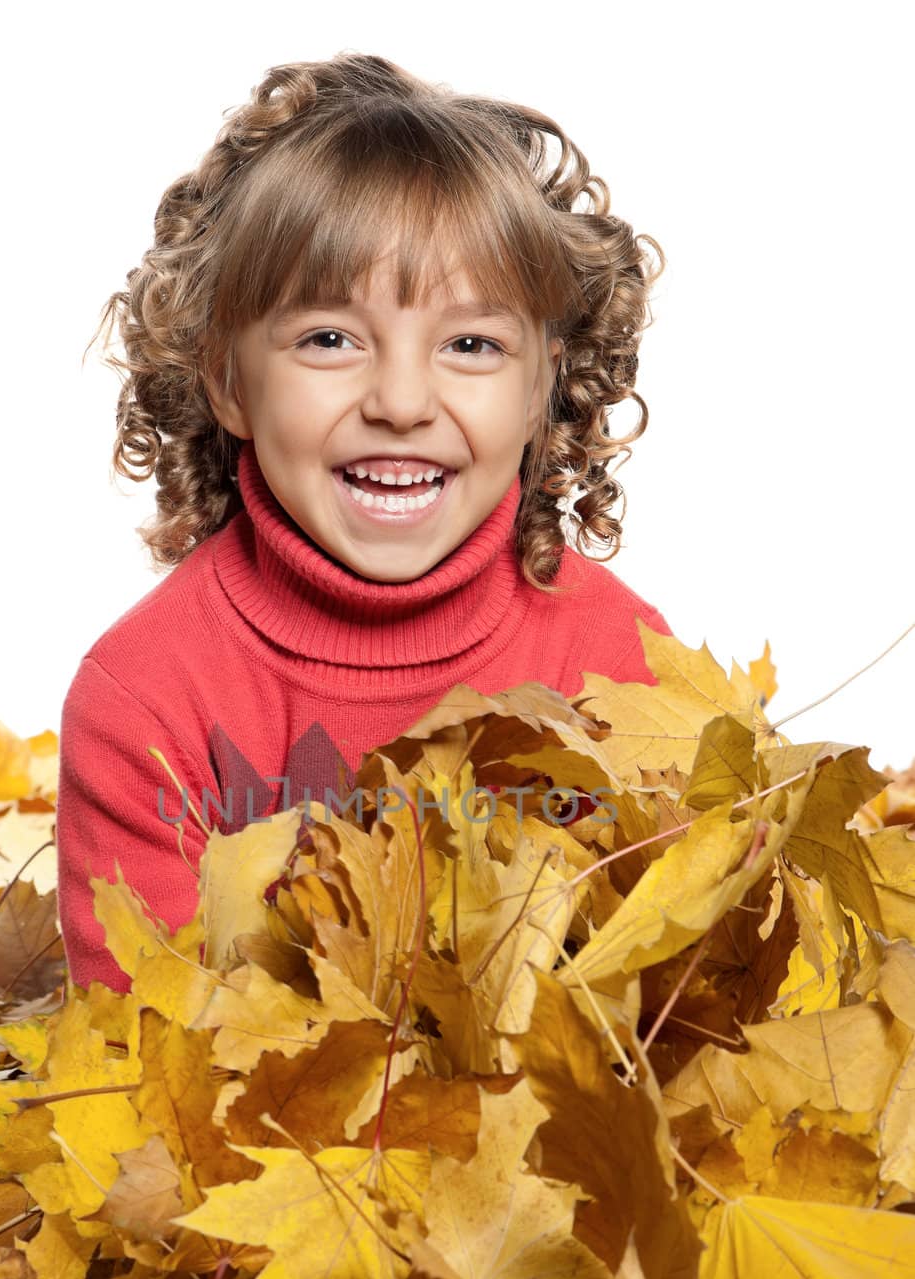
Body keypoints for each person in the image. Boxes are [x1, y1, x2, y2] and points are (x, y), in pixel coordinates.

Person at [55, 51, 673, 995]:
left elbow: (682, 995)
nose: (399, 400)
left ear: (545, 382)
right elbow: (148, 1049)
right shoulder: (144, 701)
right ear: (226, 379)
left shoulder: (623, 670)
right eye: (329, 339)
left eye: (470, 344)